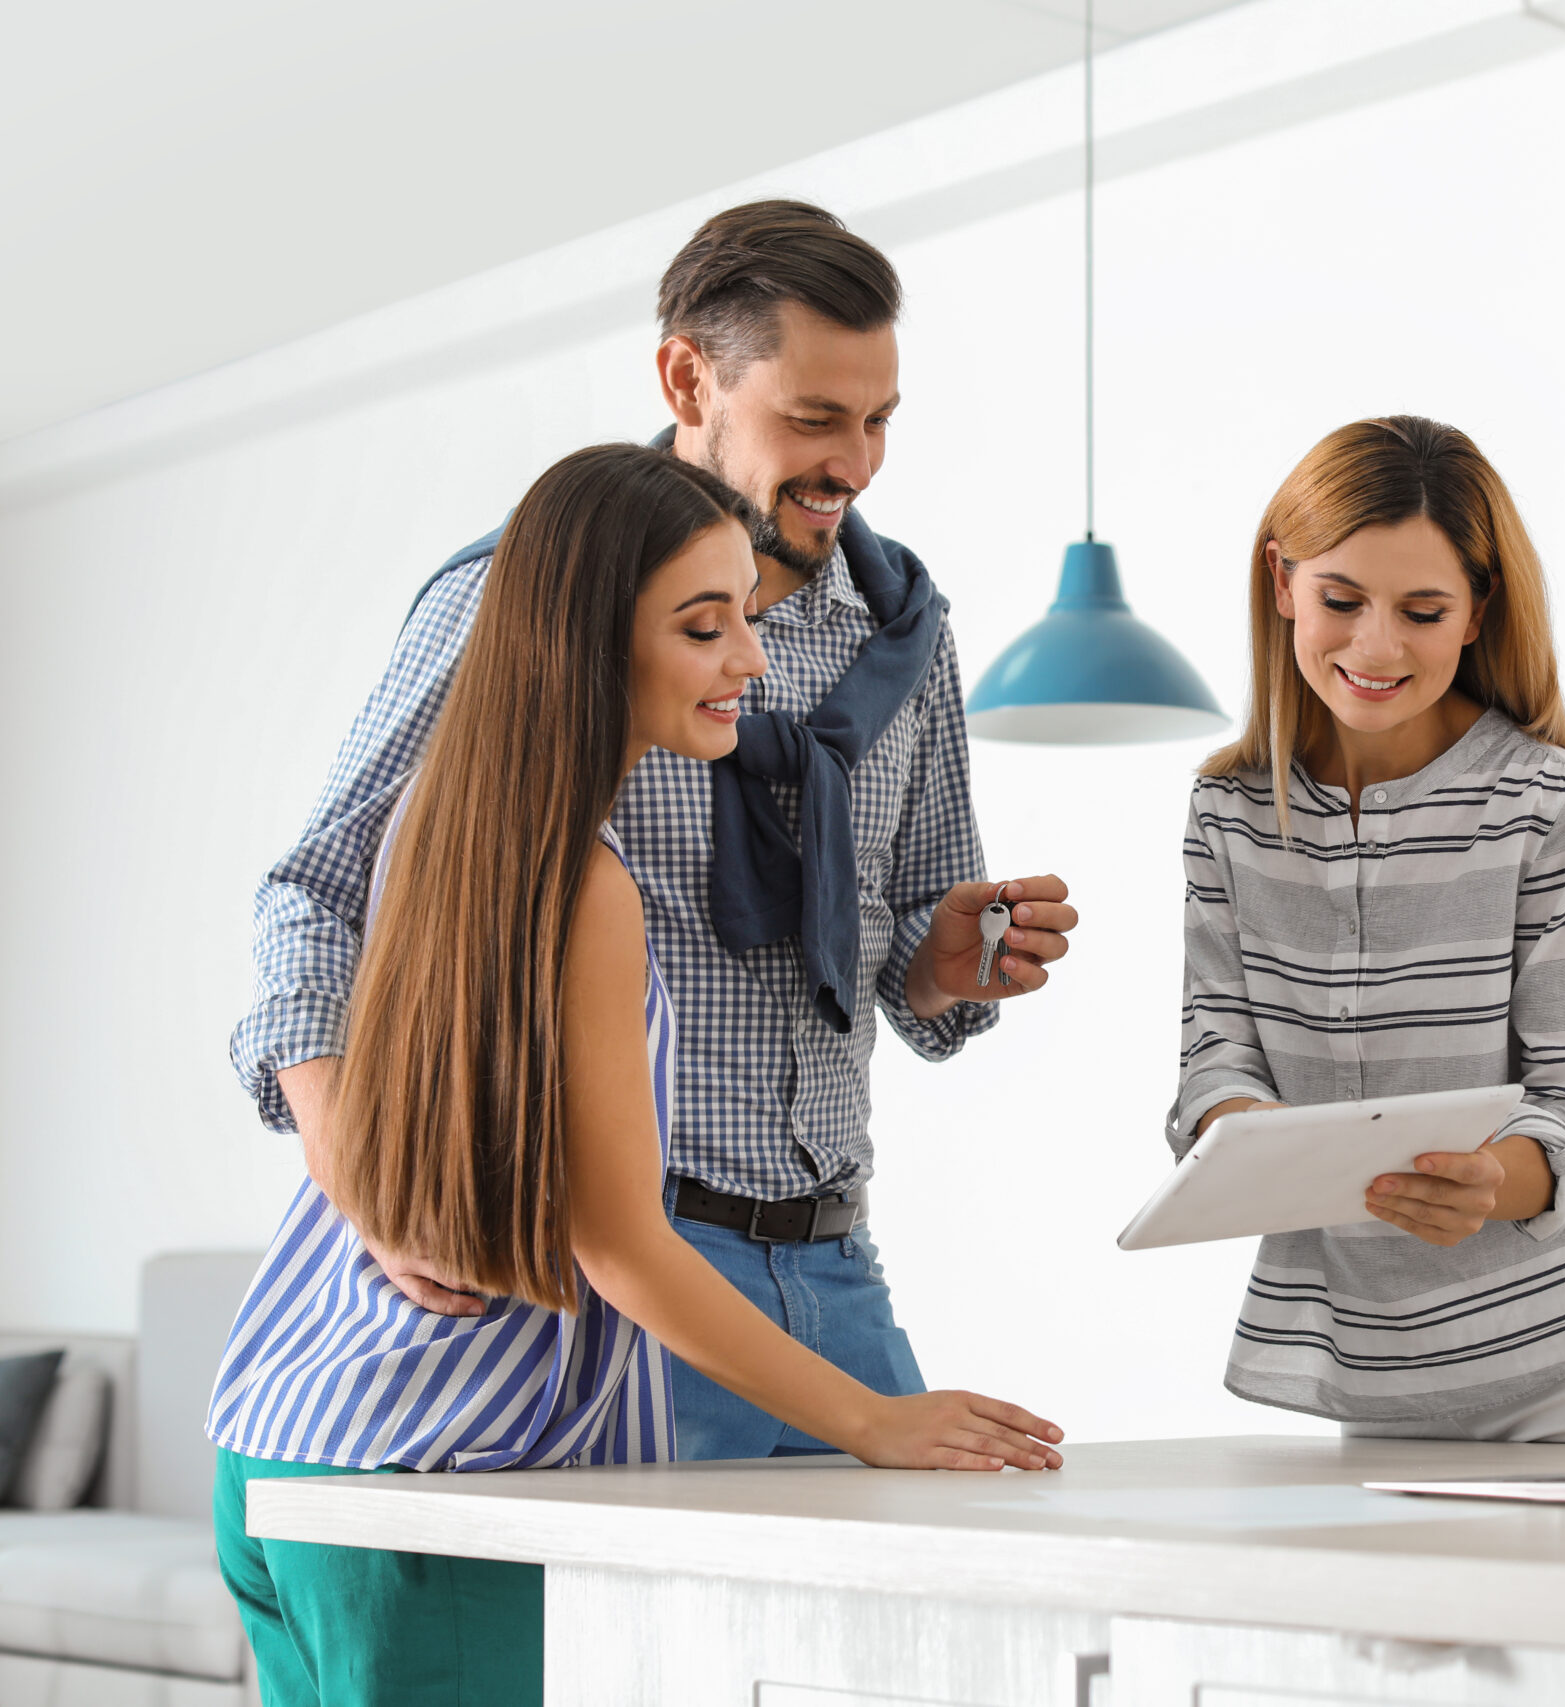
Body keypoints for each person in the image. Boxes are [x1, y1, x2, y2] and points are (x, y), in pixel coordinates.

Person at [210, 443, 1063, 1707]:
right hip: (440, 1485)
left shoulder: (451, 823)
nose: (752, 662)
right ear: (585, 642)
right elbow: (616, 1241)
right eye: (704, 627)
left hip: (296, 1441)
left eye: (745, 618)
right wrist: (876, 1421)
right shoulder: (586, 885)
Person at [231, 201, 1075, 1459]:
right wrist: (368, 1190)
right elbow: (320, 894)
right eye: (812, 418)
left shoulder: (904, 635)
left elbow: (909, 964)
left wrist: (941, 967)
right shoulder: (526, 598)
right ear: (689, 375)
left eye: (878, 420)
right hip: (616, 1276)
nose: (855, 463)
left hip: (833, 1265)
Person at [1170, 415, 1565, 1444]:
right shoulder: (1228, 811)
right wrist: (1239, 1135)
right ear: (1281, 583)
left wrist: (1491, 1183)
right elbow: (1215, 1047)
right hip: (1377, 1371)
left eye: (1422, 610)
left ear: (1476, 613)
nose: (1377, 647)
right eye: (1340, 601)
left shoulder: (1549, 804)